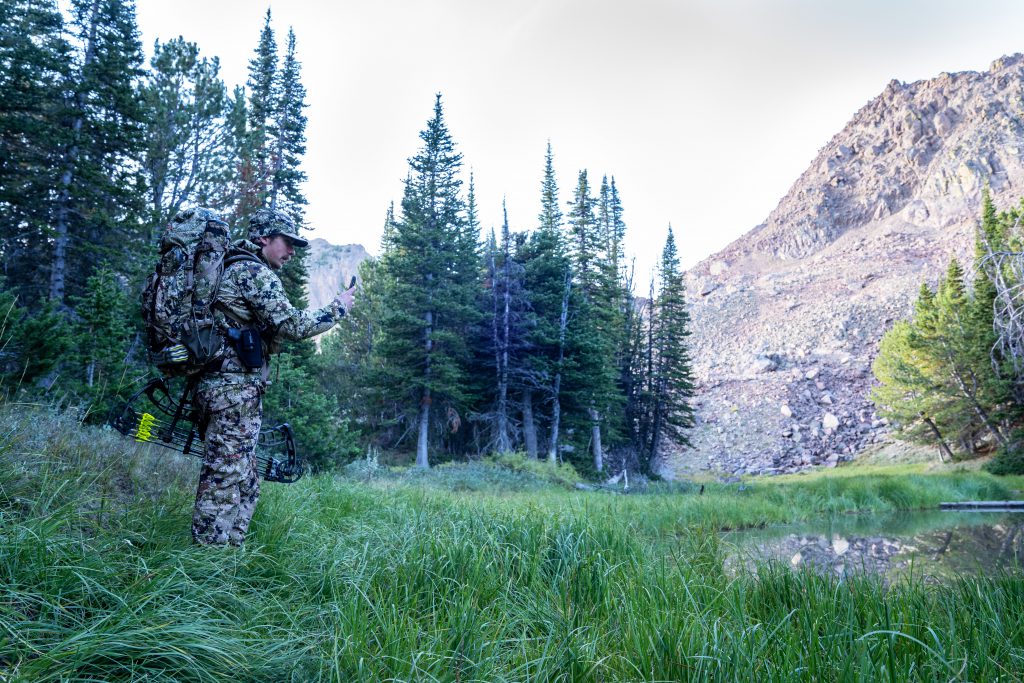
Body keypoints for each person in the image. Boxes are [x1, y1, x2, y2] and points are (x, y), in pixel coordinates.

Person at [191, 208, 355, 546]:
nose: (292, 251)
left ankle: (228, 558)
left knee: (246, 481)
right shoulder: (252, 271)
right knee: (224, 479)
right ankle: (204, 566)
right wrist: (338, 308)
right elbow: (292, 324)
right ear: (264, 237)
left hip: (226, 389)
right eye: (287, 242)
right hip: (231, 392)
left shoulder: (235, 266)